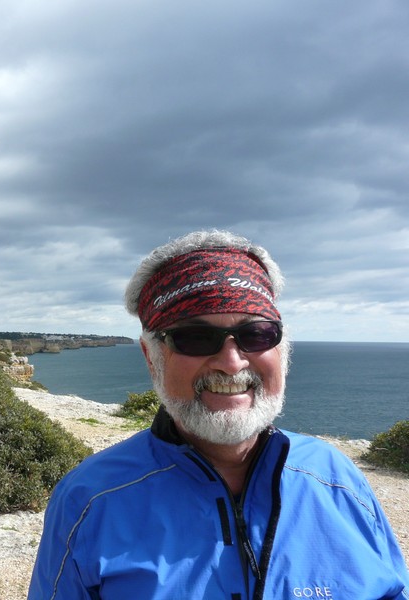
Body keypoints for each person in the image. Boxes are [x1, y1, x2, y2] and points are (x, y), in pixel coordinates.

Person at [28, 230, 409, 599]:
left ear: (281, 349)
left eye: (256, 334)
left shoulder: (336, 478)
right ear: (151, 357)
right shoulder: (91, 499)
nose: (231, 362)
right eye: (195, 338)